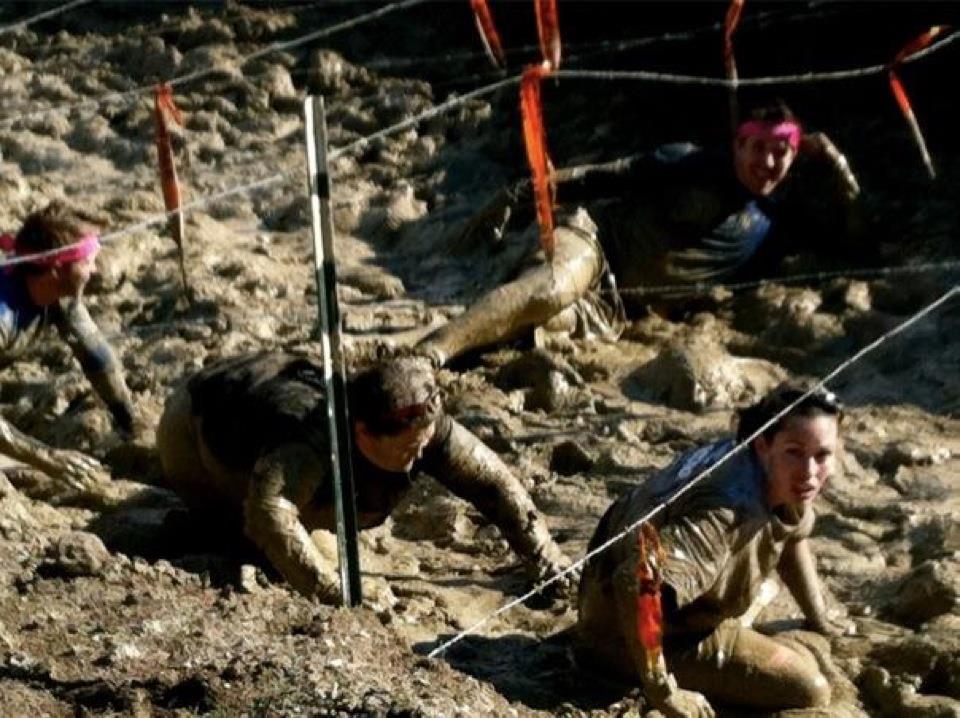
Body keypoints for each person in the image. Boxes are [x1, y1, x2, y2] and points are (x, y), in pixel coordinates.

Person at [416, 100, 860, 366]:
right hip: (593, 241)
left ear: (795, 158)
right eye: (758, 148)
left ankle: (428, 348)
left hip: (612, 308)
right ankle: (430, 352)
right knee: (550, 289)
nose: (767, 163)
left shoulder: (772, 227)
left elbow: (856, 242)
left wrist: (837, 165)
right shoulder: (690, 163)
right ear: (738, 145)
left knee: (535, 325)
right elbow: (605, 177)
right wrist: (526, 192)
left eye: (781, 152)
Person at [157, 351, 571, 604]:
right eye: (407, 450)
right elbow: (269, 513)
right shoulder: (310, 442)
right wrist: (334, 593)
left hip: (272, 378)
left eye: (424, 444)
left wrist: (545, 555)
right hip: (194, 422)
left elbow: (493, 481)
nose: (419, 457)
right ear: (363, 434)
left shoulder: (422, 426)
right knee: (248, 545)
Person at [575, 382, 850, 716]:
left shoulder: (775, 472)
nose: (809, 472)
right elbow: (635, 580)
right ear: (764, 445)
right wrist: (663, 690)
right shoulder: (724, 512)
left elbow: (793, 532)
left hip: (650, 603)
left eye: (822, 455)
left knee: (766, 590)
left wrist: (818, 616)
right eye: (795, 452)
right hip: (625, 639)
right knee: (809, 687)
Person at [0, 202, 136, 490]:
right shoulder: (3, 317)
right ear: (55, 269)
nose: (95, 270)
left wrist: (128, 420)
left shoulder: (59, 297)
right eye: (87, 262)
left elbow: (96, 355)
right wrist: (46, 457)